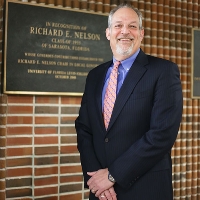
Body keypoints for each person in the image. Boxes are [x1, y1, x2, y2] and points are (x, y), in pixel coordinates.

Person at [75, 3, 183, 200]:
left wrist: (112, 175)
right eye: (118, 26)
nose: (125, 31)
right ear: (108, 33)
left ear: (141, 33)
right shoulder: (95, 76)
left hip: (146, 188)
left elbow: (162, 134)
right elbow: (84, 128)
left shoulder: (163, 71)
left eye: (132, 26)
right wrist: (96, 177)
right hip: (101, 191)